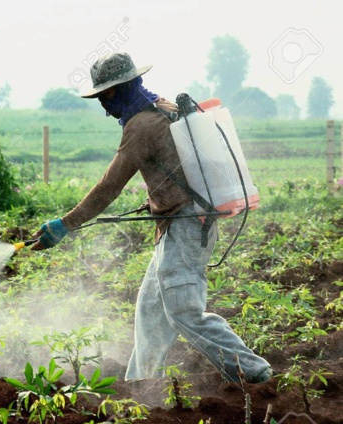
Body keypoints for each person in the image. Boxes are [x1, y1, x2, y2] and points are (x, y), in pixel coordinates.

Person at [30, 52, 272, 384]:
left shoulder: (140, 125)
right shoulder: (164, 107)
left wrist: (66, 224)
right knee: (151, 315)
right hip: (179, 225)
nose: (105, 106)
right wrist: (158, 200)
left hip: (186, 228)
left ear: (124, 88)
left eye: (108, 95)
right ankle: (139, 387)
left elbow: (108, 187)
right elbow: (175, 168)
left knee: (185, 312)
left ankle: (254, 374)